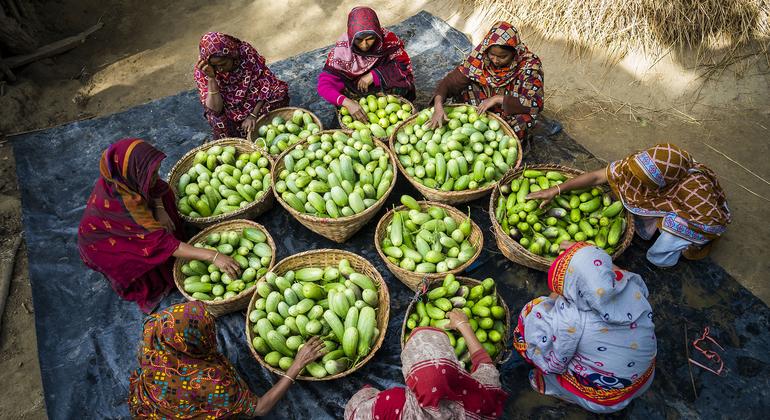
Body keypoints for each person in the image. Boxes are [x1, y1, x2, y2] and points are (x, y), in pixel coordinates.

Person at [77, 138, 241, 313]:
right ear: (135, 174)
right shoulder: (125, 206)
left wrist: (160, 207)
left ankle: (176, 244)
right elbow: (159, 243)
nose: (156, 177)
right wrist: (213, 256)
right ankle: (157, 272)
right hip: (107, 246)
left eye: (155, 172)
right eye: (152, 174)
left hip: (134, 226)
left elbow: (154, 188)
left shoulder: (125, 178)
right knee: (154, 259)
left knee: (165, 194)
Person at [527, 143, 731, 267]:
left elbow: (713, 224)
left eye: (644, 183)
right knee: (638, 195)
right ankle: (656, 220)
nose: (632, 180)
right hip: (668, 199)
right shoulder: (642, 164)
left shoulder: (696, 191)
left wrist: (674, 226)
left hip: (699, 222)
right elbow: (597, 176)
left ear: (662, 183)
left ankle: (669, 252)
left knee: (670, 233)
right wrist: (558, 189)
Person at [513, 241, 657, 414]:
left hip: (606, 398)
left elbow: (555, 362)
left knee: (532, 320)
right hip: (643, 378)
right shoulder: (629, 286)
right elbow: (606, 270)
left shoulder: (570, 321)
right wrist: (586, 250)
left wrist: (556, 298)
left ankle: (557, 389)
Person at [129, 301, 326, 418]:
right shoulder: (210, 381)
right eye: (208, 330)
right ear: (195, 342)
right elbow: (260, 408)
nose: (213, 331)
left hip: (154, 399)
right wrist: (296, 365)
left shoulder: (157, 330)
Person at [344, 309, 508, 419]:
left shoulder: (393, 403)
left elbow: (360, 414)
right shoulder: (480, 400)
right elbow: (485, 364)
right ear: (455, 369)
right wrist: (463, 325)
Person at [429, 21, 544, 141]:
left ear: (514, 52)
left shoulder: (530, 66)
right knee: (464, 87)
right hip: (482, 106)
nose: (495, 60)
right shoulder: (480, 57)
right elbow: (450, 82)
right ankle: (476, 129)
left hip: (510, 109)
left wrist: (497, 99)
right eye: (492, 55)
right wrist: (438, 105)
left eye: (502, 56)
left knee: (524, 121)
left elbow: (535, 103)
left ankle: (501, 139)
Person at [317, 6, 415, 122]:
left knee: (401, 83)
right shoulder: (342, 52)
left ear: (377, 34)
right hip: (354, 91)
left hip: (382, 90)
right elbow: (323, 86)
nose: (364, 45)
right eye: (359, 40)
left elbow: (404, 67)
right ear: (351, 36)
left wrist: (374, 75)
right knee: (339, 97)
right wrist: (347, 103)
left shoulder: (387, 41)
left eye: (370, 39)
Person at [194, 32, 289, 139]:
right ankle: (239, 139)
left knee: (280, 91)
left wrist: (253, 115)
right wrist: (211, 78)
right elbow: (216, 110)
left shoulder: (245, 53)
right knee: (216, 119)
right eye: (215, 66)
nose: (219, 70)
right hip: (231, 113)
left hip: (256, 103)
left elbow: (265, 84)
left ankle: (261, 125)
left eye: (223, 64)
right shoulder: (203, 70)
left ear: (232, 55)